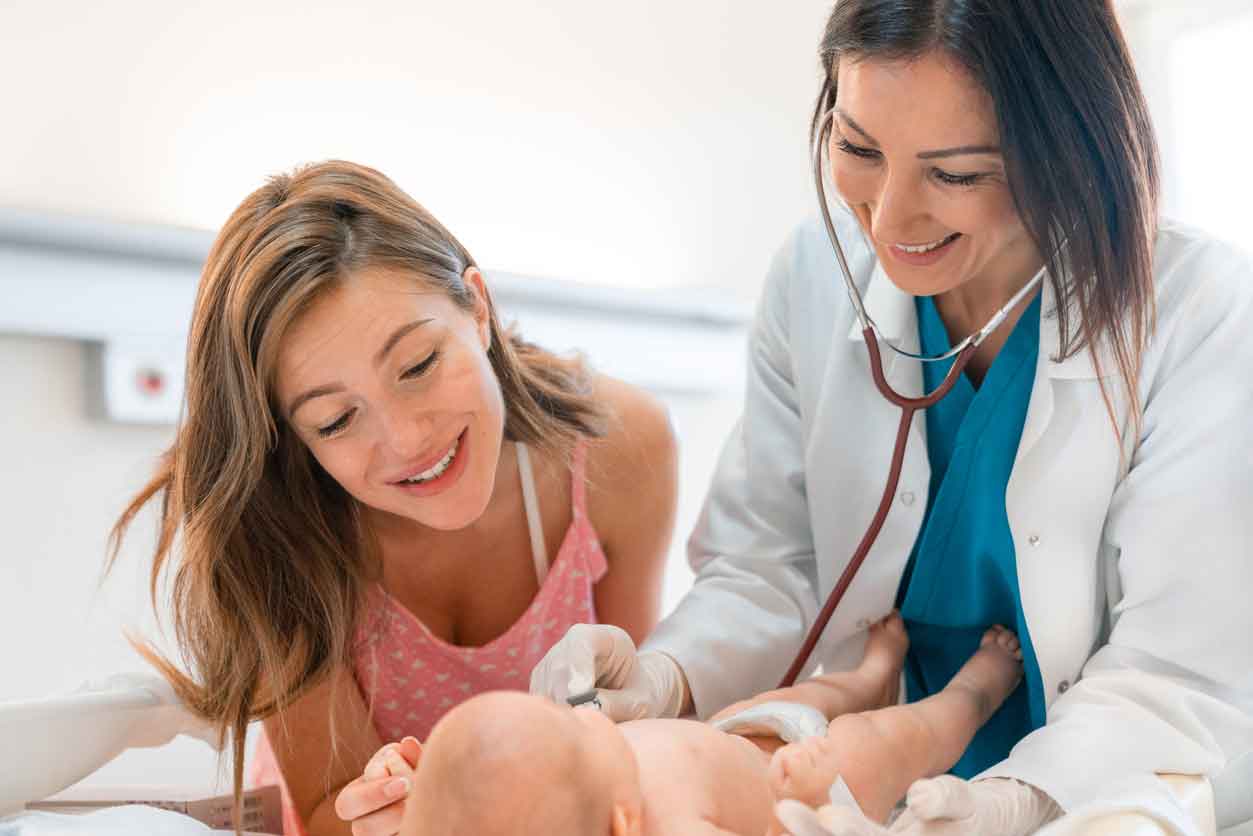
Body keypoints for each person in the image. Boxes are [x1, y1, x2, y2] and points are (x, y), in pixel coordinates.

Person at [531, 1, 1253, 833]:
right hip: (870, 784)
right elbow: (767, 565)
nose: (889, 217)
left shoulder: (1200, 313)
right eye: (857, 149)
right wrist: (664, 675)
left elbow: (1177, 667)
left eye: (955, 174)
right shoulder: (812, 273)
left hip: (1105, 784)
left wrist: (1015, 805)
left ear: (1070, 153)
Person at [107, 160, 678, 836]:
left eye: (417, 365)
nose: (407, 440)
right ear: (290, 438)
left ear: (477, 306)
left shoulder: (620, 446)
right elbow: (326, 811)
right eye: (336, 421)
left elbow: (639, 740)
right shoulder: (272, 534)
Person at [395, 615, 1028, 835]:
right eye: (576, 730)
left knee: (825, 690)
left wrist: (429, 787)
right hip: (808, 781)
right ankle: (978, 690)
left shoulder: (579, 781)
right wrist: (799, 796)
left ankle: (874, 674)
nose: (580, 718)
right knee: (904, 735)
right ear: (624, 823)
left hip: (736, 730)